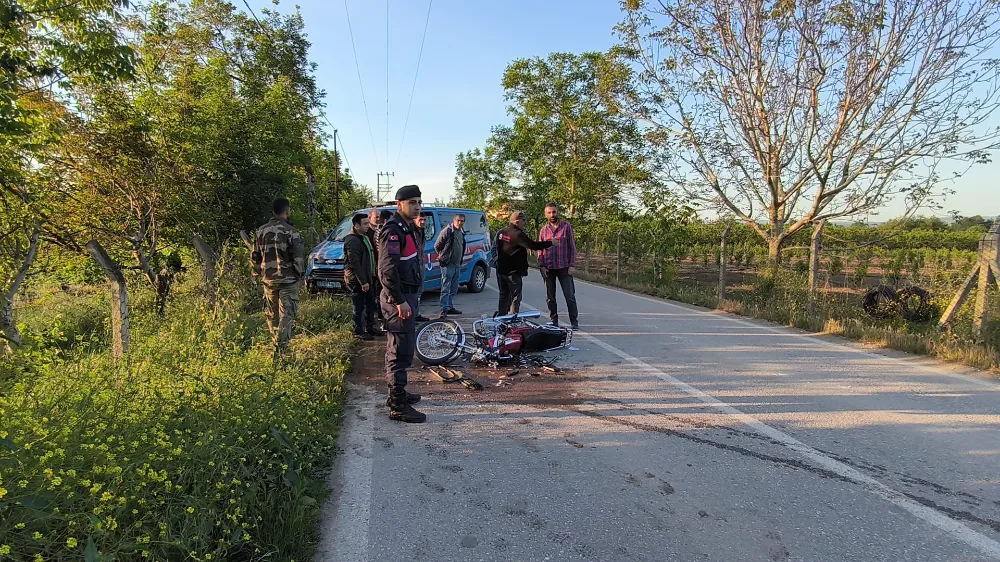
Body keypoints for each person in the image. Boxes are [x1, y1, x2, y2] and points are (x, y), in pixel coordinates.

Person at [378, 185, 426, 423]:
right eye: (412, 203)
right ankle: (397, 405)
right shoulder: (393, 230)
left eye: (419, 202)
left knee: (403, 348)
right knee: (399, 350)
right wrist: (398, 301)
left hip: (407, 296)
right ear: (399, 205)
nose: (417, 206)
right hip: (399, 299)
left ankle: (398, 393)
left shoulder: (408, 228)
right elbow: (386, 270)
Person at [251, 197, 305, 357]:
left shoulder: (261, 231)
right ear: (287, 210)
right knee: (286, 315)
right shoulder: (291, 231)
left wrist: (258, 273)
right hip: (288, 281)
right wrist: (300, 276)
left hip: (268, 281)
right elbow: (298, 258)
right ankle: (281, 351)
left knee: (273, 316)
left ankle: (276, 344)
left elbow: (255, 257)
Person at [496, 210, 552, 317]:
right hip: (513, 272)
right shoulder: (518, 235)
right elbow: (533, 246)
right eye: (523, 220)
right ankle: (512, 319)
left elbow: (498, 248)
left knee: (504, 295)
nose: (524, 223)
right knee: (515, 297)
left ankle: (501, 318)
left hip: (501, 270)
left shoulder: (502, 233)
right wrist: (550, 243)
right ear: (517, 221)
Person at [538, 202, 579, 330]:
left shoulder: (566, 227)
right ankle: (553, 321)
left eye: (554, 212)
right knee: (550, 297)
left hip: (564, 267)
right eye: (549, 212)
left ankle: (574, 322)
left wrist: (572, 265)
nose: (552, 215)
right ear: (546, 214)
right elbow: (540, 250)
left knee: (569, 295)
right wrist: (541, 266)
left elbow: (572, 247)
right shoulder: (544, 230)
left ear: (557, 212)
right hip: (549, 268)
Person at [344, 213, 379, 340]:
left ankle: (370, 328)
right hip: (357, 280)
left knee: (371, 304)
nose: (368, 226)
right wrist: (363, 281)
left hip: (368, 277)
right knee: (358, 306)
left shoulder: (363, 236)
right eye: (364, 224)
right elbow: (355, 263)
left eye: (368, 223)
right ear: (356, 225)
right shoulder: (352, 240)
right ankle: (358, 330)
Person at [434, 214, 466, 319]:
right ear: (454, 220)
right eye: (458, 220)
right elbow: (437, 245)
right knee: (445, 288)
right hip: (447, 265)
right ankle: (443, 309)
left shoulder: (461, 232)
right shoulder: (448, 231)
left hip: (457, 265)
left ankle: (449, 307)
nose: (460, 223)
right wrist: (442, 256)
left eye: (462, 221)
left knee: (454, 288)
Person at [412, 213, 431, 323]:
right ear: (415, 220)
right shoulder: (412, 232)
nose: (423, 222)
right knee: (413, 292)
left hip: (420, 263)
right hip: (412, 265)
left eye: (424, 219)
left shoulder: (422, 231)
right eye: (420, 219)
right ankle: (412, 316)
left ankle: (416, 314)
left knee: (419, 291)